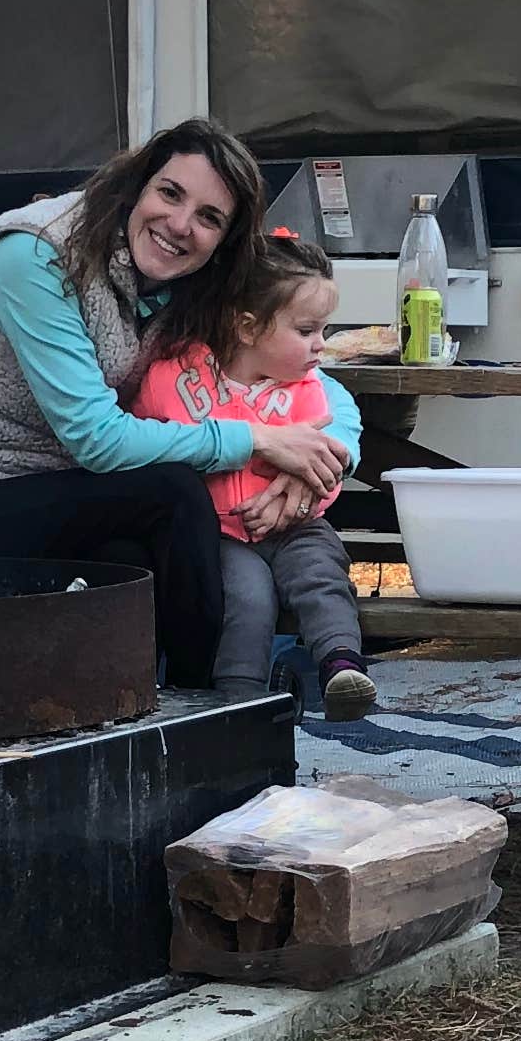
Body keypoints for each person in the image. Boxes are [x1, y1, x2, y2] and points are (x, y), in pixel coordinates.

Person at [0, 120, 350, 686]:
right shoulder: (34, 255)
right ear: (136, 183)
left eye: (209, 217)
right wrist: (259, 439)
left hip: (67, 489)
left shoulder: (185, 281)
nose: (179, 225)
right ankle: (199, 700)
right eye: (170, 193)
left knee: (149, 554)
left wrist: (322, 459)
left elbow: (312, 385)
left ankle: (158, 703)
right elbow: (96, 439)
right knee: (173, 493)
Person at [134, 239, 377, 717]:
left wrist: (309, 491)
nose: (321, 344)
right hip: (221, 530)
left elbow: (335, 450)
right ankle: (238, 698)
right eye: (307, 330)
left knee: (321, 575)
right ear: (246, 327)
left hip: (298, 525)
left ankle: (342, 666)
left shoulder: (310, 390)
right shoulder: (176, 380)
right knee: (244, 597)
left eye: (323, 329)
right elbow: (144, 438)